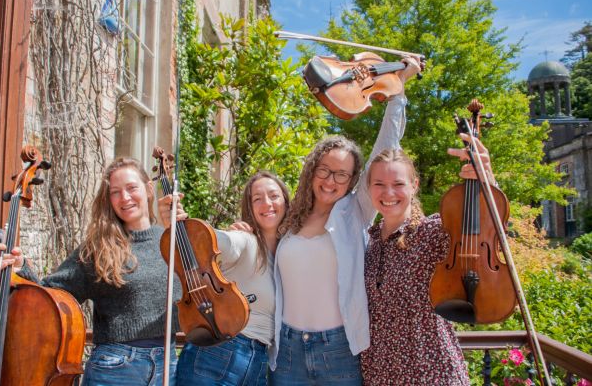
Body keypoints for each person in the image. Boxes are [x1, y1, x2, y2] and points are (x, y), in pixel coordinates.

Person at [268, 57, 421, 385]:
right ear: (312, 171)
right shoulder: (290, 218)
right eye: (324, 170)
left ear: (353, 180)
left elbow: (386, 149)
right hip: (287, 349)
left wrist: (397, 93)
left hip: (338, 349)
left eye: (341, 174)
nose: (330, 180)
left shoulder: (355, 212)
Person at [0, 157, 181, 386]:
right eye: (115, 192)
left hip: (168, 365)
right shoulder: (100, 247)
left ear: (148, 189)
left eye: (131, 188)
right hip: (116, 367)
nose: (124, 197)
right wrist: (21, 266)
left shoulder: (168, 239)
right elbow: (51, 295)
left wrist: (181, 229)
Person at [360, 141, 492, 385]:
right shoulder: (371, 241)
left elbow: (485, 230)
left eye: (398, 184)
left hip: (431, 371)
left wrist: (485, 180)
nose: (388, 193)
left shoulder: (432, 231)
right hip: (379, 374)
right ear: (369, 188)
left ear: (414, 186)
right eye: (379, 184)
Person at [158, 171, 290, 386]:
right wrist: (180, 224)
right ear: (250, 208)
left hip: (258, 360)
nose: (267, 203)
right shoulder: (246, 240)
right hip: (218, 353)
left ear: (286, 200)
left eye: (274, 196)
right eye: (257, 198)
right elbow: (214, 241)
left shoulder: (285, 254)